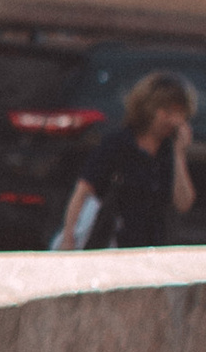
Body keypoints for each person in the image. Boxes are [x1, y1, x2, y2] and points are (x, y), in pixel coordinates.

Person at [59, 69, 197, 250]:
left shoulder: (167, 151)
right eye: (168, 112)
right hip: (114, 242)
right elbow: (83, 191)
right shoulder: (119, 143)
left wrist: (179, 155)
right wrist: (69, 237)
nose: (174, 120)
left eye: (180, 114)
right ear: (150, 108)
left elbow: (183, 203)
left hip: (154, 245)